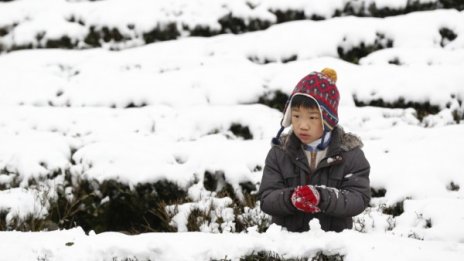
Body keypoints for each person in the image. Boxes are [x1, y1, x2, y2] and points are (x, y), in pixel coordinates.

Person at [258, 68, 370, 232]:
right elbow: (267, 198)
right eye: (296, 116)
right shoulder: (279, 153)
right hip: (286, 244)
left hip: (333, 245)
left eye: (312, 117)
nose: (303, 125)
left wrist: (323, 197)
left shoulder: (350, 154)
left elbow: (358, 198)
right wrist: (291, 198)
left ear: (327, 119)